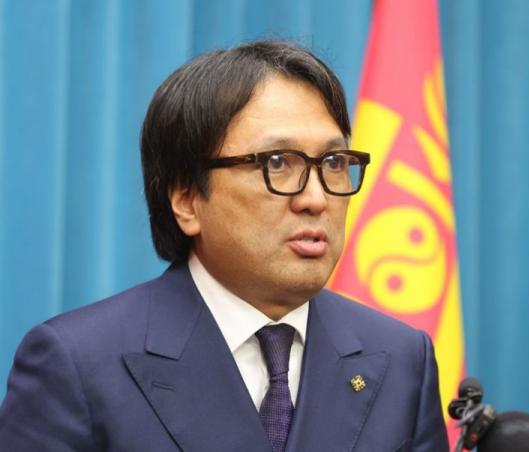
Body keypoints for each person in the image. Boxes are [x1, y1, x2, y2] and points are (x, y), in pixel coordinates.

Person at [0, 40, 448, 451]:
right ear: (186, 200)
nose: (316, 198)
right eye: (278, 162)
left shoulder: (402, 359)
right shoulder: (77, 364)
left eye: (333, 162)